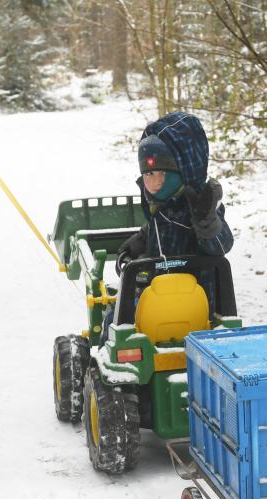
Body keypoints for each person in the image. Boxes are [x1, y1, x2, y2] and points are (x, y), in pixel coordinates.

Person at [101, 112, 233, 346]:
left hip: (198, 308)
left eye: (162, 173)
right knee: (115, 317)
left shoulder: (202, 204)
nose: (153, 182)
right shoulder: (159, 206)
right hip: (155, 298)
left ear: (183, 170)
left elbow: (222, 243)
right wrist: (141, 240)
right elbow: (158, 227)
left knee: (115, 322)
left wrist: (206, 221)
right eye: (148, 174)